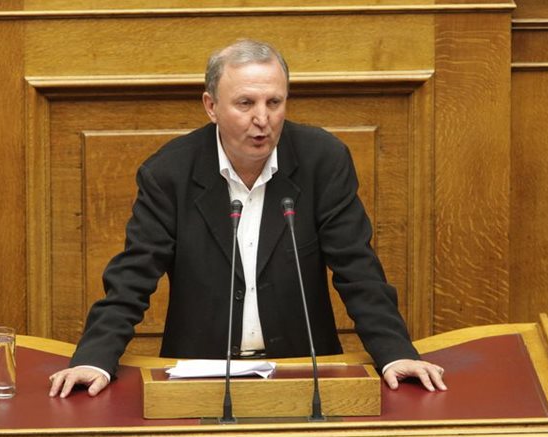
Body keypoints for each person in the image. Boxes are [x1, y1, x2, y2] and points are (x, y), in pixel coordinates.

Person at [49, 39, 446, 399]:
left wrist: (395, 353)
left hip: (302, 372)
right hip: (200, 375)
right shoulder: (169, 173)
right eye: (245, 103)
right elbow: (132, 277)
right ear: (211, 106)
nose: (263, 119)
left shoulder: (322, 161)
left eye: (274, 103)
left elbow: (358, 269)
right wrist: (94, 359)